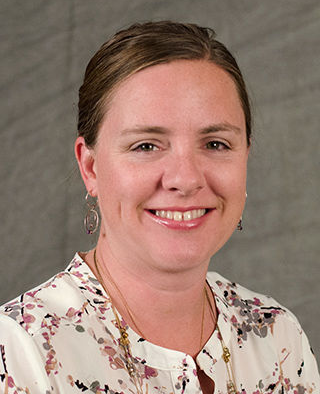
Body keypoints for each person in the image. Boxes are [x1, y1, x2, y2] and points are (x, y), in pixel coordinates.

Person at [0, 21, 319, 394]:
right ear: (90, 167)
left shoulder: (277, 338)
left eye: (215, 144)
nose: (185, 179)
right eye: (146, 146)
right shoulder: (20, 353)